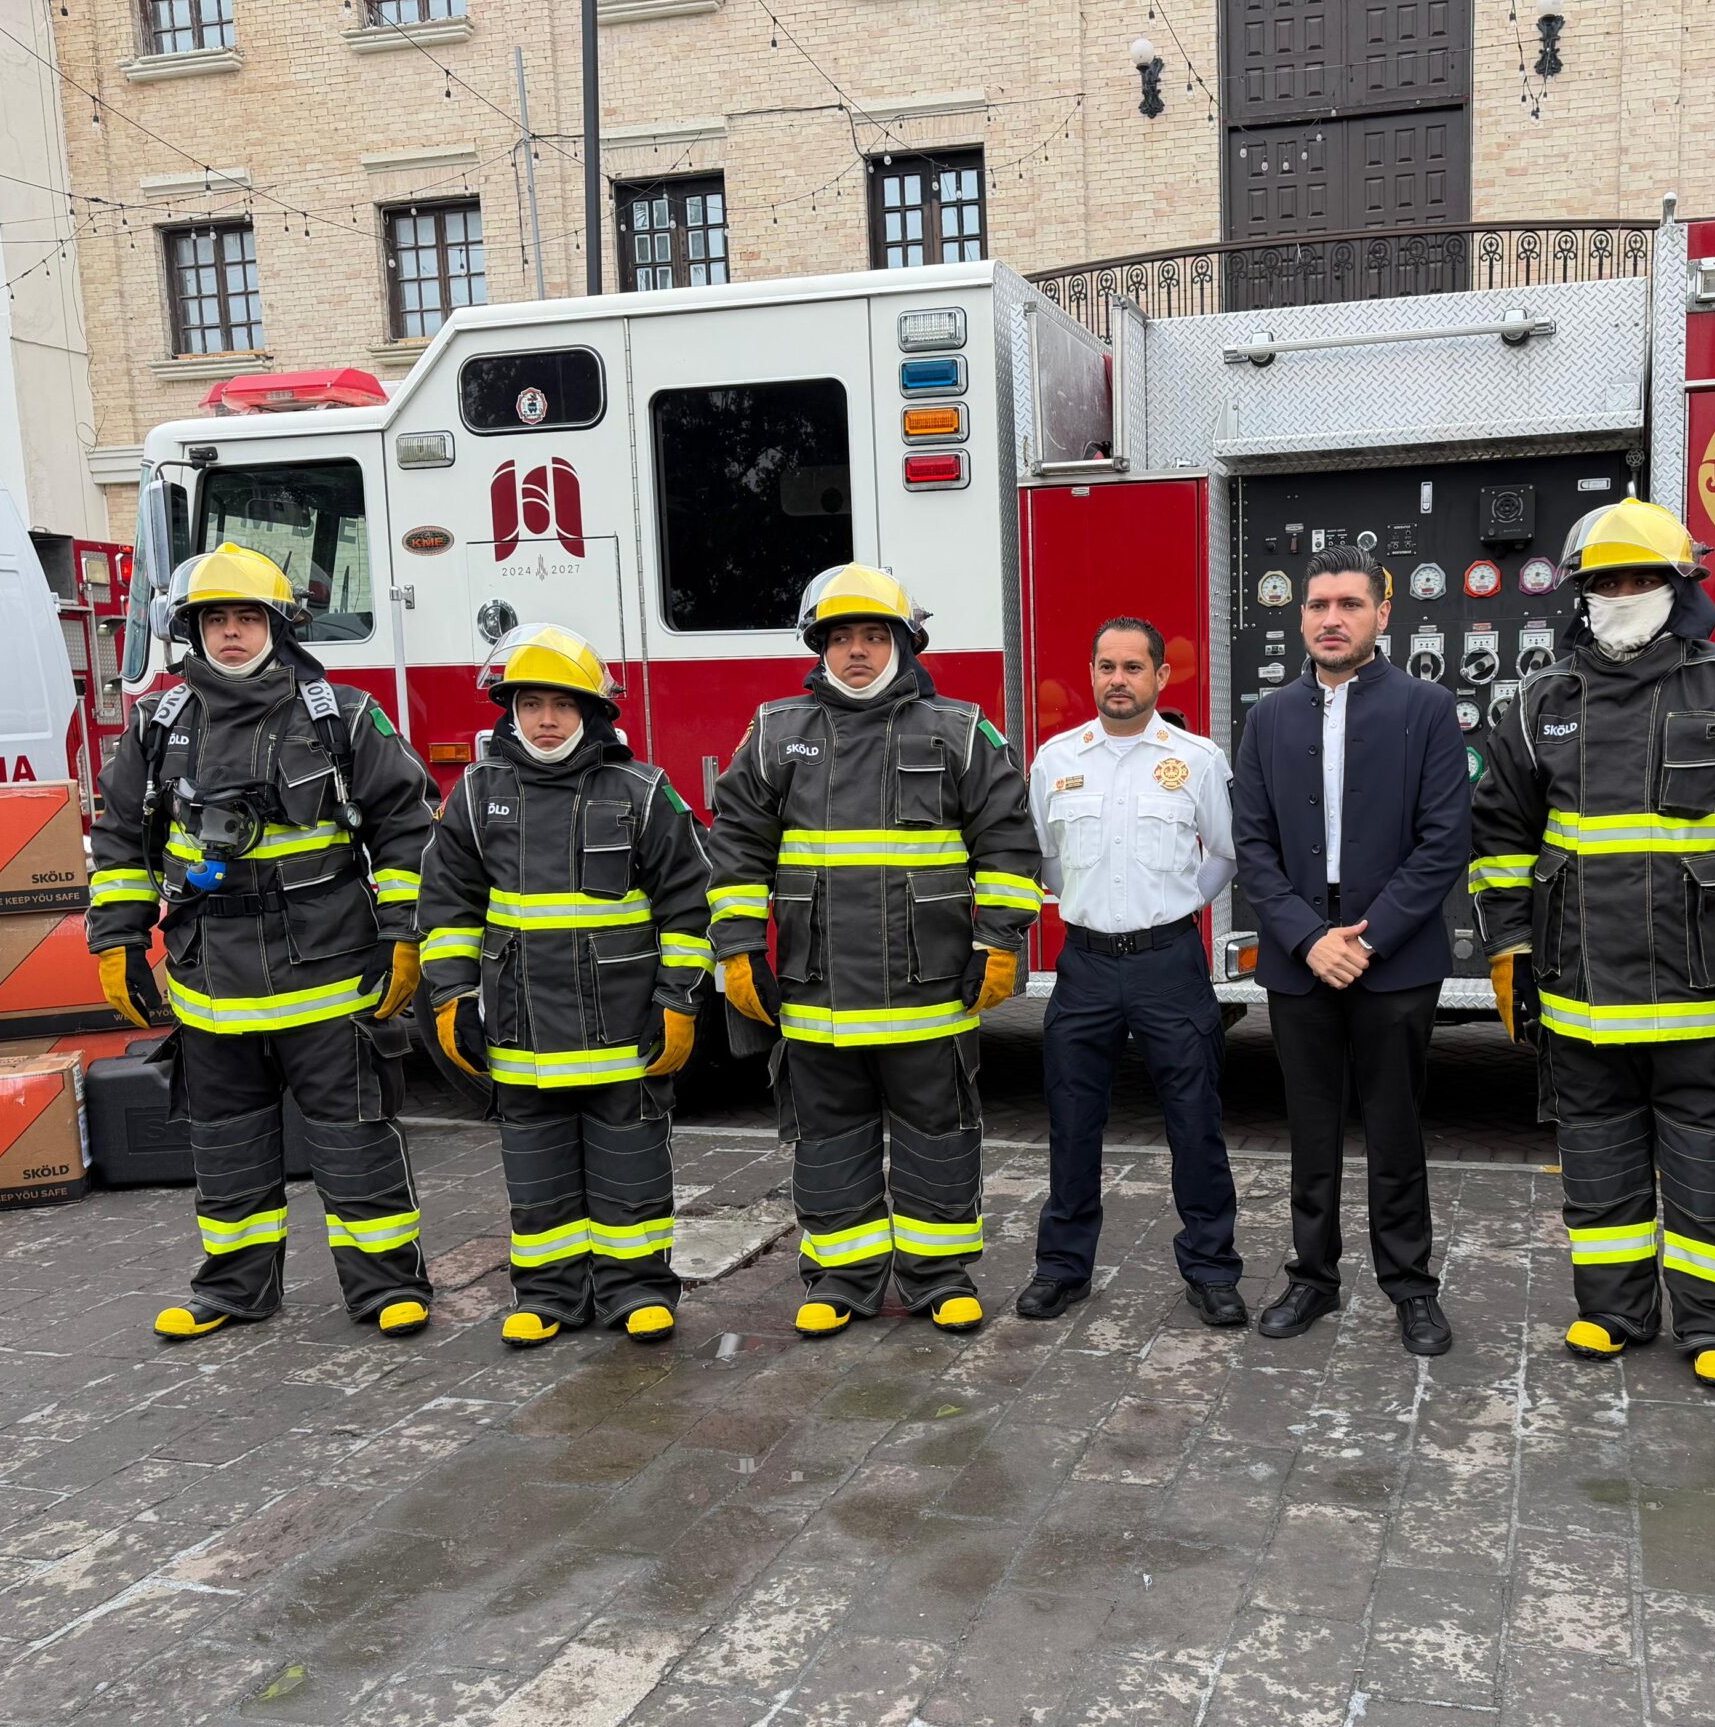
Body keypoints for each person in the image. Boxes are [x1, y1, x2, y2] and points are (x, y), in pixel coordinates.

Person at [1469, 499, 1715, 1386]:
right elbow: (1501, 838)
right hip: (1579, 996)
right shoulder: (1538, 704)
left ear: (1680, 587)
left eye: (1640, 580)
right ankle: (1612, 1309)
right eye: (1605, 583)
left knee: (1713, 1167)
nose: (1621, 595)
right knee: (1597, 1165)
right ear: (1580, 596)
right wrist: (1509, 947)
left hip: (1707, 997)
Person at [87, 543, 439, 1342]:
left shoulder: (341, 717)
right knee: (227, 1149)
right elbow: (120, 839)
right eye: (215, 619)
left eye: (248, 617)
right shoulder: (158, 725)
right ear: (193, 631)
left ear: (279, 626)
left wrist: (403, 935)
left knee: (353, 1142)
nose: (231, 632)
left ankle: (387, 1286)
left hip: (328, 981)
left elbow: (407, 830)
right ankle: (234, 1289)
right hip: (210, 986)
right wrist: (117, 939)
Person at [707, 564, 1042, 1337]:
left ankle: (939, 1278)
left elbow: (1007, 843)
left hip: (929, 992)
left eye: (873, 636)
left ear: (904, 644)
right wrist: (737, 948)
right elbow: (735, 848)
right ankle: (841, 1279)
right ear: (819, 647)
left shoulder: (959, 731)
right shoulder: (776, 734)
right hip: (816, 993)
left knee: (939, 1137)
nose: (856, 651)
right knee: (828, 1142)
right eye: (840, 638)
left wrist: (998, 942)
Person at [417, 627, 712, 1349]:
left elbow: (688, 905)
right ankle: (547, 1295)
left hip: (623, 1029)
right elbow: (447, 908)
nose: (546, 720)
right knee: (536, 1174)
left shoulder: (642, 793)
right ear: (510, 712)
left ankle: (638, 1290)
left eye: (562, 705)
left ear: (593, 713)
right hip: (520, 1030)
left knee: (631, 1169)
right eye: (531, 705)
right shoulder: (476, 796)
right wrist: (452, 998)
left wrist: (678, 1000)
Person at [1232, 545, 1467, 1356]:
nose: (1332, 619)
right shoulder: (1268, 718)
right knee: (1310, 1128)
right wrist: (1307, 939)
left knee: (1396, 1127)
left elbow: (1444, 840)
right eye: (1319, 605)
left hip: (1391, 955)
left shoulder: (1427, 709)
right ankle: (1313, 1278)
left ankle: (1410, 1286)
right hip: (1301, 954)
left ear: (1382, 615)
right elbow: (1253, 845)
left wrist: (1366, 938)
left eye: (1350, 605)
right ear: (1301, 616)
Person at [1024, 616, 1244, 1327]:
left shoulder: (1198, 759)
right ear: (1091, 674)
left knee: (1195, 1122)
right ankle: (1062, 1269)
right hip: (1084, 965)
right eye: (1106, 667)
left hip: (1169, 965)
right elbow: (1046, 858)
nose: (1118, 680)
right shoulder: (1056, 759)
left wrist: (1177, 906)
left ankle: (1212, 1270)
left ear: (1160, 676)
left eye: (1133, 667)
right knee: (1072, 1122)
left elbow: (1226, 852)